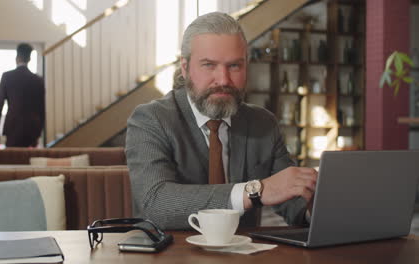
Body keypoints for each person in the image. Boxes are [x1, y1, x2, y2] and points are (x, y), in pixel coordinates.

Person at [125, 12, 317, 230]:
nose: (224, 80)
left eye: (234, 66)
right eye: (209, 65)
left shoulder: (263, 123)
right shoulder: (150, 120)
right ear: (186, 68)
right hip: (171, 255)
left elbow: (293, 203)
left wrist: (316, 205)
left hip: (243, 254)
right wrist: (255, 191)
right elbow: (157, 203)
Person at [0, 43, 45, 147]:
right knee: (29, 161)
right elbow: (41, 109)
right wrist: (38, 133)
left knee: (12, 159)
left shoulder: (7, 77)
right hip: (31, 129)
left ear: (17, 58)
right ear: (29, 59)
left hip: (13, 127)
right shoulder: (38, 80)